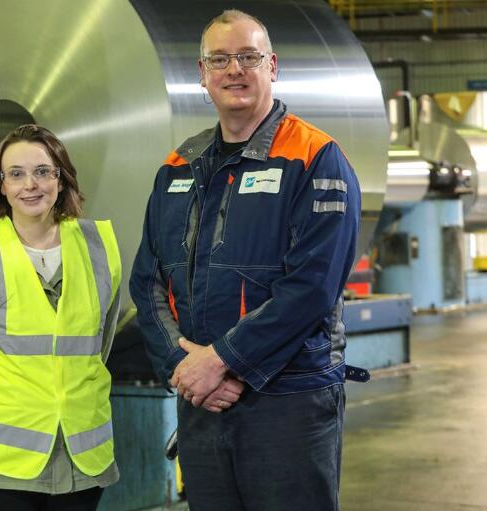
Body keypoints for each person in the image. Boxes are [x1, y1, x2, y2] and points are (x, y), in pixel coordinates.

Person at [130, 9, 362, 511]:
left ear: (272, 66)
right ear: (202, 74)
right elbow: (147, 283)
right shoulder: (178, 167)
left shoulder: (316, 157)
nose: (234, 69)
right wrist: (184, 366)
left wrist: (221, 362)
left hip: (289, 403)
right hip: (202, 403)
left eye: (248, 57)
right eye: (220, 59)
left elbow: (311, 288)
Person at [0, 124, 121, 511]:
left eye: (42, 171)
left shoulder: (99, 246)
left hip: (80, 461)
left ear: (61, 178)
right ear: (1, 185)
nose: (29, 184)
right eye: (15, 173)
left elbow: (100, 344)